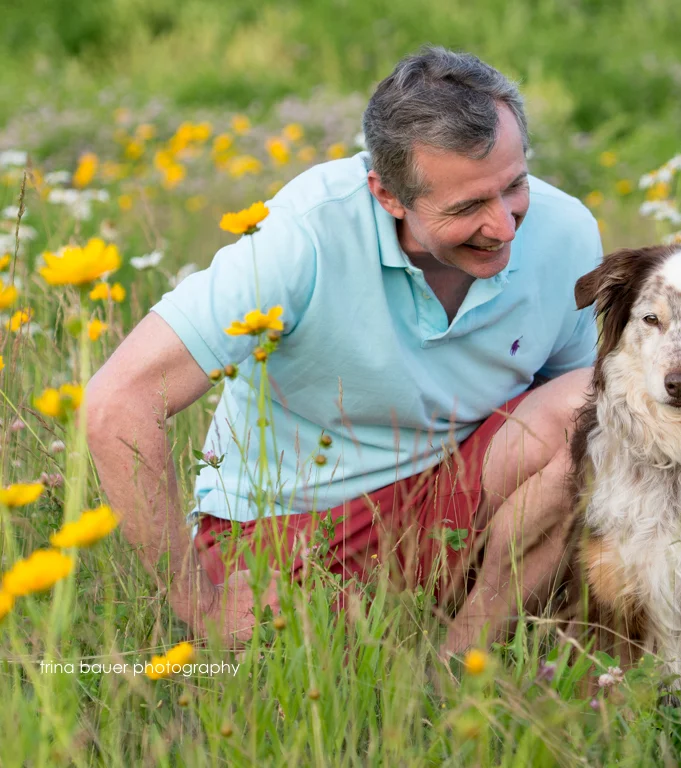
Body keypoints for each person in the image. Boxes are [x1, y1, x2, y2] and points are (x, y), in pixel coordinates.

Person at [85, 46, 602, 658]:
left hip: (461, 494)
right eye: (466, 208)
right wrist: (198, 601)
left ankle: (462, 660)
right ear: (388, 194)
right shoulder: (303, 234)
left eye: (514, 186)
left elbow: (572, 421)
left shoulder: (566, 231)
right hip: (299, 526)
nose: (505, 227)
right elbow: (118, 400)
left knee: (595, 405)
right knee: (296, 662)